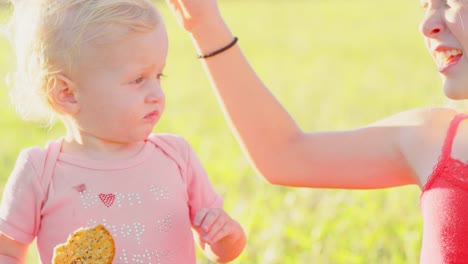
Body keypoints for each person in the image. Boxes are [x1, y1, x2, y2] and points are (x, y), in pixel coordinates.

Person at [165, 0, 468, 262]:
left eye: (450, 3)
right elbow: (282, 154)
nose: (427, 24)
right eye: (424, 6)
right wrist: (204, 25)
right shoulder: (433, 139)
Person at [0, 0, 246, 263]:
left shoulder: (176, 157)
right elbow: (8, 251)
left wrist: (226, 236)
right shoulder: (41, 172)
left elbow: (218, 250)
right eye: (138, 80)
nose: (156, 94)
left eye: (159, 76)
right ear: (67, 93)